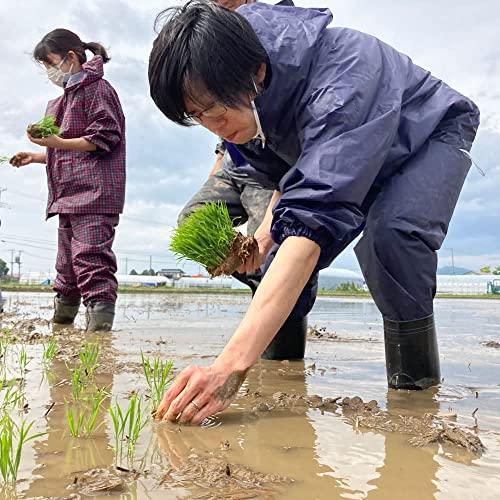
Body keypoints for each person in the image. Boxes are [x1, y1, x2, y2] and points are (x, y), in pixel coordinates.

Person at [148, 1, 479, 424]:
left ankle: (415, 395)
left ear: (256, 74)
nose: (212, 124)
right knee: (273, 257)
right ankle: (282, 368)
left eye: (213, 108)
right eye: (196, 116)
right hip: (346, 154)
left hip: (424, 136)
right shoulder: (248, 107)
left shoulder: (344, 78)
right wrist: (262, 242)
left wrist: (227, 368)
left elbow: (313, 219)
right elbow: (288, 185)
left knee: (392, 237)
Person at [178, 0, 308, 361]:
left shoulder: (274, 27)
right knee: (193, 219)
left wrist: (264, 237)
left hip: (274, 164)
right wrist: (216, 172)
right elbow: (223, 123)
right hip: (236, 160)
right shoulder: (207, 38)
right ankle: (255, 278)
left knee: (279, 247)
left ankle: (281, 358)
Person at [11, 29, 126, 332]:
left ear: (71, 58)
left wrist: (54, 143)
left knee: (91, 260)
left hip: (95, 195)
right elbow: (69, 153)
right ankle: (62, 327)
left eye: (51, 63)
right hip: (68, 197)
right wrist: (36, 156)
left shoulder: (98, 90)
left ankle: (98, 337)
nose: (49, 72)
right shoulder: (64, 100)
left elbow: (104, 137)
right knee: (66, 269)